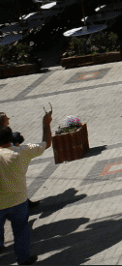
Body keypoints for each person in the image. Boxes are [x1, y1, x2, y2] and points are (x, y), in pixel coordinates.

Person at [0, 107, 51, 265]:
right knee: (21, 230)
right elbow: (46, 143)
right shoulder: (23, 152)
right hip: (19, 201)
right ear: (12, 138)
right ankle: (24, 259)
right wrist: (46, 124)